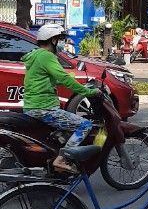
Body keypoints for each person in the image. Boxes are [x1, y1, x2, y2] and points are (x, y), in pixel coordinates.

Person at [22, 24, 94, 174]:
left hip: (33, 107)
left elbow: (55, 78)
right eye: (60, 39)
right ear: (53, 40)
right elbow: (63, 78)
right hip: (44, 108)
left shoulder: (36, 55)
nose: (61, 43)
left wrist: (73, 78)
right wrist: (88, 92)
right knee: (85, 125)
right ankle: (62, 159)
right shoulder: (47, 56)